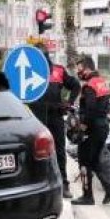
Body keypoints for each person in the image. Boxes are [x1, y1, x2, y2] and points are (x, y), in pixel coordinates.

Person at [27, 40, 81, 198]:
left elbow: (75, 85)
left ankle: (64, 184)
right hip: (34, 118)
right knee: (34, 152)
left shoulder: (58, 70)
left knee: (59, 151)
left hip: (55, 117)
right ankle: (36, 184)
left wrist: (68, 103)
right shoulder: (25, 72)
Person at [71, 55, 110, 205]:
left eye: (80, 68)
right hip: (103, 126)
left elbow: (90, 109)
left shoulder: (89, 85)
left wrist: (82, 128)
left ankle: (87, 196)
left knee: (83, 160)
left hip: (92, 128)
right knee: (93, 161)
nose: (78, 71)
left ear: (88, 68)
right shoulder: (102, 82)